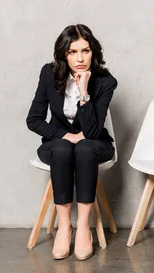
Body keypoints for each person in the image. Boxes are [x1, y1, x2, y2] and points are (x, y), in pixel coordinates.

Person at [26, 24, 117, 260]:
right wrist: (65, 135)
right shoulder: (49, 74)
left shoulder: (106, 81)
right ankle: (65, 228)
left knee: (85, 148)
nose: (80, 58)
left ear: (93, 52)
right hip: (58, 145)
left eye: (85, 51)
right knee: (64, 148)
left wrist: (83, 90)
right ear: (63, 54)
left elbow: (94, 131)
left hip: (95, 144)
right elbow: (34, 120)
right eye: (72, 52)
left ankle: (84, 227)